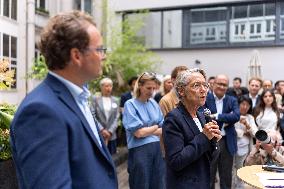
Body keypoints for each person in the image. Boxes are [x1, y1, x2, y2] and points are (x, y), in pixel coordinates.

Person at [10, 11, 117, 189]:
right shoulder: (40, 111)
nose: (103, 56)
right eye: (99, 49)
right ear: (76, 56)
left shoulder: (79, 97)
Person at [163, 68, 221, 189]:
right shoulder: (173, 118)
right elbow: (176, 161)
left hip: (203, 181)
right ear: (181, 91)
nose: (203, 90)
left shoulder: (201, 115)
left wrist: (213, 140)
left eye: (205, 85)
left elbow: (208, 155)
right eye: (196, 85)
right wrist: (204, 137)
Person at [123, 72, 164, 189]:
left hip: (156, 149)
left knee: (158, 184)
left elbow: (164, 128)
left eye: (153, 88)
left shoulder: (154, 103)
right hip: (139, 151)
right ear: (139, 86)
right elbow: (138, 133)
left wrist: (147, 130)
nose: (151, 91)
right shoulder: (130, 104)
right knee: (141, 184)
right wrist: (155, 127)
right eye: (148, 88)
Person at [205, 74, 240, 189]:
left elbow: (236, 116)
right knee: (209, 173)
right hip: (209, 141)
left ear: (227, 87)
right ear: (213, 84)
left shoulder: (232, 100)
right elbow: (203, 116)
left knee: (226, 175)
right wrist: (227, 117)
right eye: (219, 83)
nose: (221, 86)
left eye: (224, 85)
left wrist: (217, 116)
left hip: (226, 141)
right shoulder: (205, 98)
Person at [233, 95, 257, 189]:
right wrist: (243, 132)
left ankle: (239, 187)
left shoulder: (250, 117)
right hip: (231, 146)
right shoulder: (233, 114)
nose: (245, 107)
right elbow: (230, 131)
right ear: (238, 104)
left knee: (241, 169)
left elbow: (255, 133)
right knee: (230, 170)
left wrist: (247, 124)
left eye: (248, 105)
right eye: (243, 104)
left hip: (244, 148)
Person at [92, 77, 119, 155]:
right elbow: (92, 115)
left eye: (110, 86)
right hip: (99, 134)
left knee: (112, 157)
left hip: (111, 135)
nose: (108, 88)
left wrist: (110, 131)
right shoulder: (95, 99)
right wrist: (102, 130)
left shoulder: (115, 100)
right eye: (106, 86)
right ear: (101, 87)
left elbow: (117, 117)